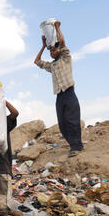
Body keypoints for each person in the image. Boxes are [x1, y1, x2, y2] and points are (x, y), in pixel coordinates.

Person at [34, 21, 84, 157]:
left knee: (73, 120)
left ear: (59, 50)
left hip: (69, 93)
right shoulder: (52, 66)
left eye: (53, 50)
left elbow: (62, 42)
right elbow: (37, 62)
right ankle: (73, 144)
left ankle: (77, 146)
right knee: (62, 124)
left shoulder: (66, 58)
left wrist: (57, 27)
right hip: (59, 96)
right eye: (50, 52)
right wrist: (44, 46)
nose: (52, 53)